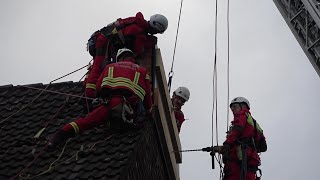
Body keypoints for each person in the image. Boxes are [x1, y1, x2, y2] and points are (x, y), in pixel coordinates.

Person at [48, 48, 152, 148]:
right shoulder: (142, 71)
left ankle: (57, 138)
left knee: (85, 122)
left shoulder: (110, 67)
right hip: (131, 109)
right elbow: (147, 98)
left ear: (119, 58)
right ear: (132, 57)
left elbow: (98, 87)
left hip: (111, 105)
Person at [85, 12, 168, 100]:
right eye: (156, 32)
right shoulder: (139, 32)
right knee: (99, 66)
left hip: (102, 38)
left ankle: (89, 84)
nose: (154, 34)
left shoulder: (137, 22)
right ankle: (90, 92)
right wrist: (149, 42)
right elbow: (137, 50)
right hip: (105, 42)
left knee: (100, 66)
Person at [213, 97, 267, 180]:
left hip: (238, 165)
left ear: (243, 106)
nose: (232, 109)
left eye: (235, 106)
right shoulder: (254, 123)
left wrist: (227, 144)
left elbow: (237, 130)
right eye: (231, 108)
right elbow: (263, 147)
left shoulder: (242, 115)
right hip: (250, 165)